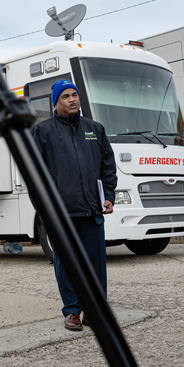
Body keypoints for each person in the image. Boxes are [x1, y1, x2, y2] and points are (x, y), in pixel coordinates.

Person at [31, 78, 117, 331]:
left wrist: (108, 195)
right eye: (66, 96)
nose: (72, 100)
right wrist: (44, 209)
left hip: (92, 210)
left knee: (96, 265)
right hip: (61, 214)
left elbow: (107, 167)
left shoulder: (95, 129)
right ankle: (72, 311)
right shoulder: (42, 131)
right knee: (66, 264)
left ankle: (95, 311)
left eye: (74, 95)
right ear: (56, 102)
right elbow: (35, 175)